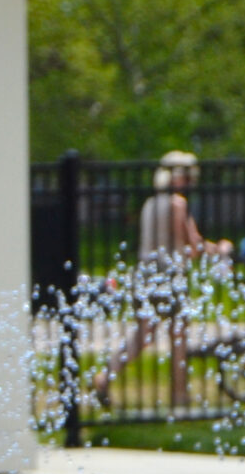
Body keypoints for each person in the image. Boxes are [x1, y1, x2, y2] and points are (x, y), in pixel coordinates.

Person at [94, 151, 231, 410]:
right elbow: (193, 246)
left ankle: (105, 376)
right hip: (168, 274)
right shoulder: (177, 204)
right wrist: (220, 248)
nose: (191, 184)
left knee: (143, 333)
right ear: (177, 177)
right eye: (188, 178)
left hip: (144, 272)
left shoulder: (149, 204)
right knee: (178, 334)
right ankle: (179, 395)